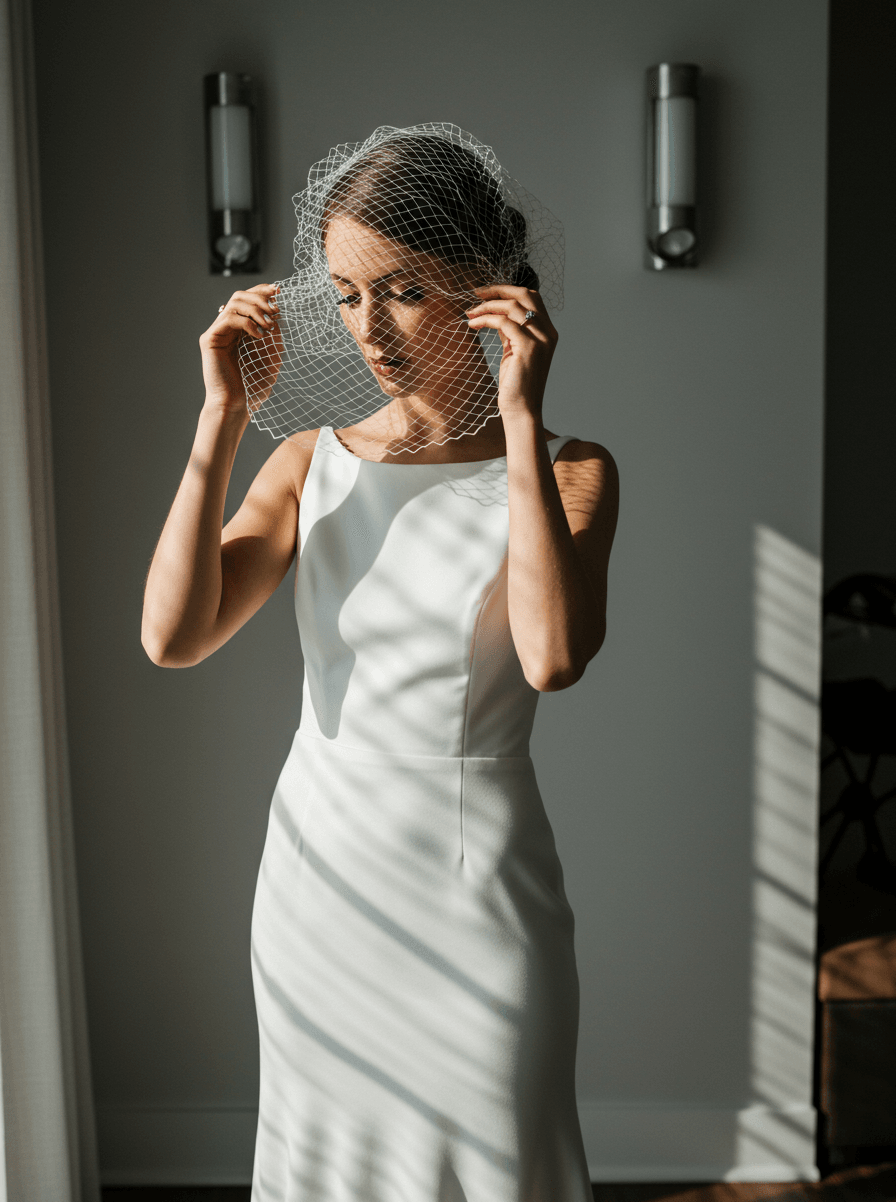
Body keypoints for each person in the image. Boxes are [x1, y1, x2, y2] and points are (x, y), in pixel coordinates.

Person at [142, 126, 618, 1202]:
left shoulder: (569, 467)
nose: (371, 327)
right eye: (348, 294)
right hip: (322, 878)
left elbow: (549, 658)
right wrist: (219, 422)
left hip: (477, 880)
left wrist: (517, 413)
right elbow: (172, 638)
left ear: (489, 293)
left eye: (403, 290)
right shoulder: (307, 458)